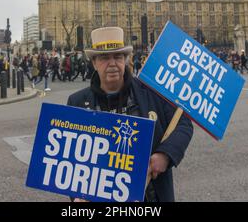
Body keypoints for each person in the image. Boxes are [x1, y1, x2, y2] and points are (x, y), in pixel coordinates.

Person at [67, 26, 193, 202]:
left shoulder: (151, 92)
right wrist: (77, 196)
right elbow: (70, 161)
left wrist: (164, 155)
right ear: (94, 63)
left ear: (125, 60)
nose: (112, 63)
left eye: (118, 56)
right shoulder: (77, 102)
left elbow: (183, 124)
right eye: (104, 58)